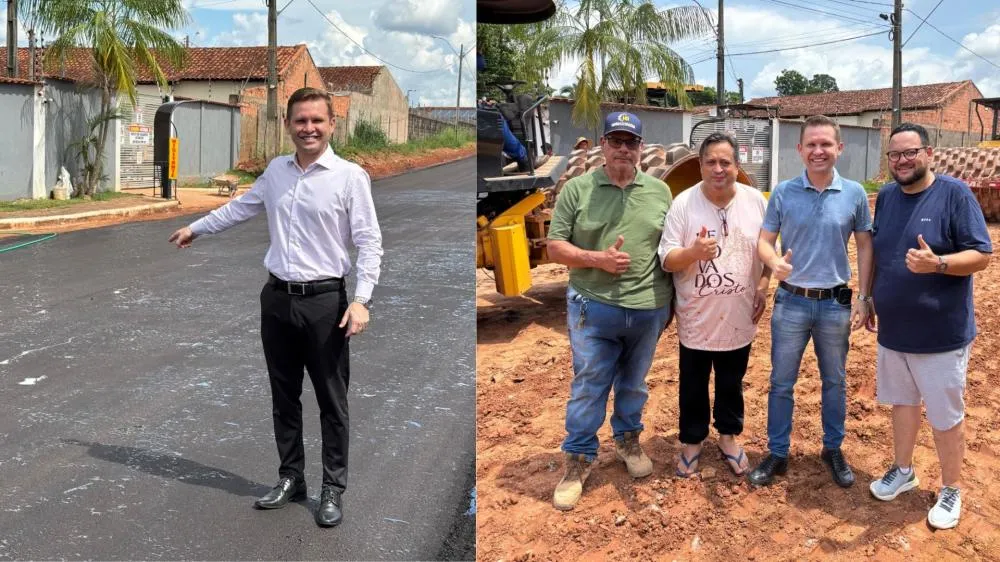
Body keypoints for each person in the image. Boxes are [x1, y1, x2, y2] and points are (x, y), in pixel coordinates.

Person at [168, 87, 383, 528]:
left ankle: (332, 489)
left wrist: (361, 300)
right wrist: (197, 228)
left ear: (331, 125)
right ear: (288, 125)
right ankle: (291, 478)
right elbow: (241, 208)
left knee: (331, 400)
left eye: (316, 121)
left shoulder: (349, 177)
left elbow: (369, 242)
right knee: (284, 396)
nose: (309, 129)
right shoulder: (276, 171)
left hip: (326, 302)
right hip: (277, 300)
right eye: (300, 121)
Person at [866, 123, 992, 530]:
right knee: (902, 404)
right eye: (894, 155)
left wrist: (939, 262)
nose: (902, 161)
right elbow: (880, 251)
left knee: (944, 414)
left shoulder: (954, 194)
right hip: (894, 330)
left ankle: (951, 487)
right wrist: (867, 298)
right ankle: (903, 470)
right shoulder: (885, 196)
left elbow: (981, 254)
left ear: (929, 153)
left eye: (910, 152)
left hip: (941, 334)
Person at [546, 111, 674, 510]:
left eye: (630, 142)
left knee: (634, 384)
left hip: (648, 308)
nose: (623, 148)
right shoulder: (577, 190)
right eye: (615, 141)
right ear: (603, 144)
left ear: (641, 148)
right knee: (589, 385)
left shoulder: (659, 192)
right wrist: (596, 259)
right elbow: (554, 246)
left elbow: (671, 248)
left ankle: (628, 441)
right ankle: (579, 459)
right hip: (593, 307)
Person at [747, 115, 873, 488]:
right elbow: (764, 241)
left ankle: (832, 448)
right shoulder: (784, 192)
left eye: (826, 144)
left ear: (839, 148)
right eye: (811, 145)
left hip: (835, 303)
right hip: (791, 304)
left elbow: (865, 246)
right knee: (781, 382)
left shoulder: (854, 194)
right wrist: (773, 264)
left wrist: (865, 297)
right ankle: (778, 453)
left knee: (834, 380)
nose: (819, 151)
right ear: (800, 149)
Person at [658, 132, 770, 478]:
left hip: (739, 312)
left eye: (726, 162)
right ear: (700, 165)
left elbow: (768, 249)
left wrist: (764, 285)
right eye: (711, 162)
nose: (718, 168)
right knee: (692, 380)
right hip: (696, 313)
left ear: (737, 166)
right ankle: (691, 441)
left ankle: (728, 437)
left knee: (731, 379)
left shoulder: (755, 201)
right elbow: (666, 259)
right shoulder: (684, 204)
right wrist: (692, 253)